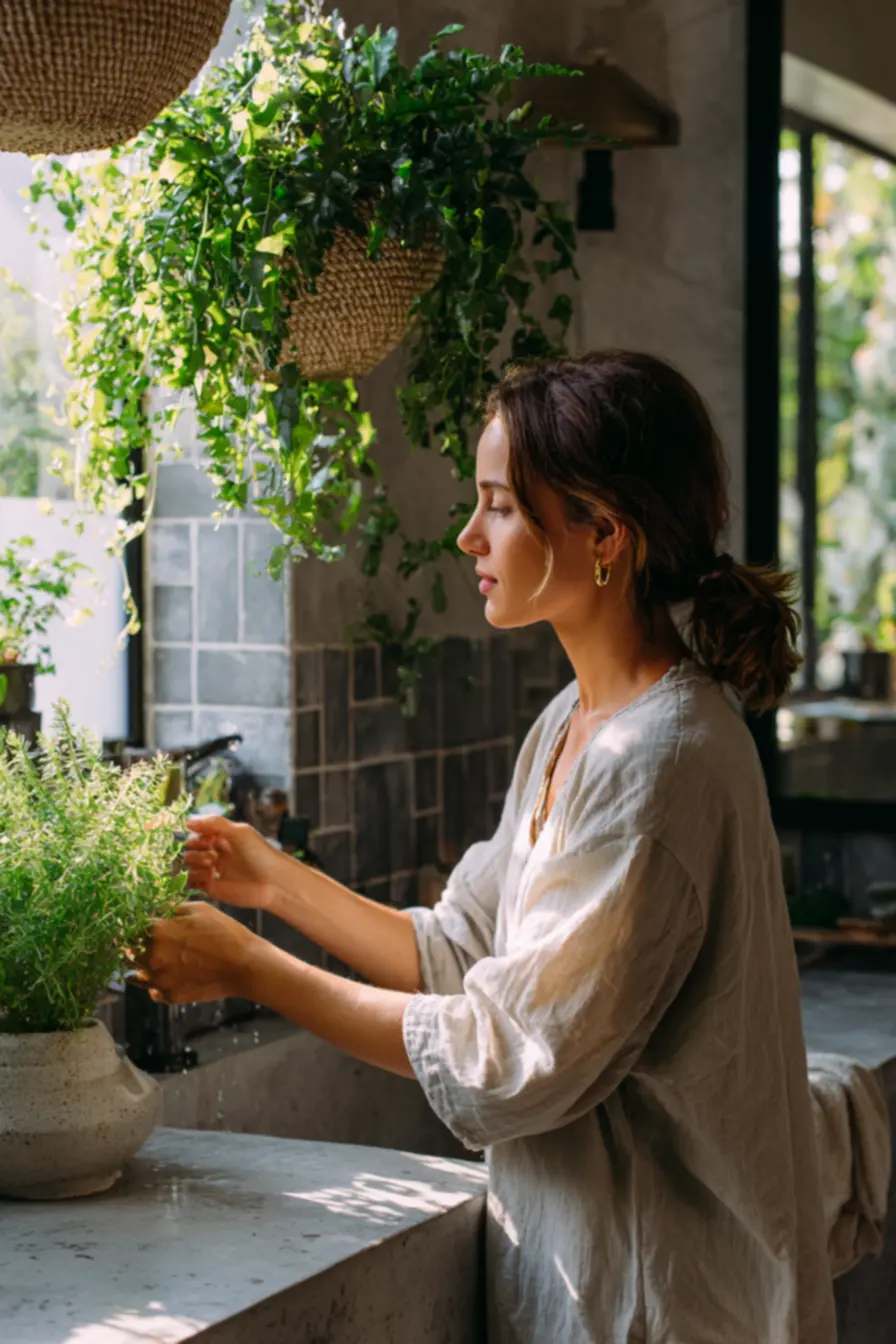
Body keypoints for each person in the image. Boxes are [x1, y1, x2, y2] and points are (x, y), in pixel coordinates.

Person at [139, 352, 837, 1343]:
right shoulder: (573, 723)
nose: (468, 534)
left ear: (603, 535)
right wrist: (273, 879)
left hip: (670, 1303)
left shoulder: (658, 760)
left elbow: (509, 1058)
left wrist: (252, 966)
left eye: (500, 506)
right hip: (606, 1285)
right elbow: (467, 954)